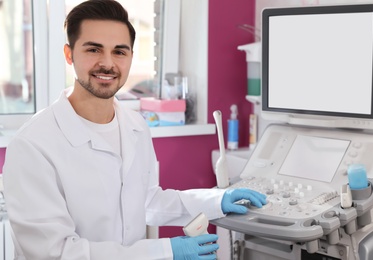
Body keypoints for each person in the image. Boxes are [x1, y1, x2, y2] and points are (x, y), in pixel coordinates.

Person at [3, 0, 267, 259]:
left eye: (119, 51)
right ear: (69, 54)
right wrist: (165, 251)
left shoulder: (135, 126)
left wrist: (215, 201)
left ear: (130, 56)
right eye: (93, 49)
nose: (107, 63)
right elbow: (55, 253)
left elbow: (147, 202)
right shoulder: (33, 145)